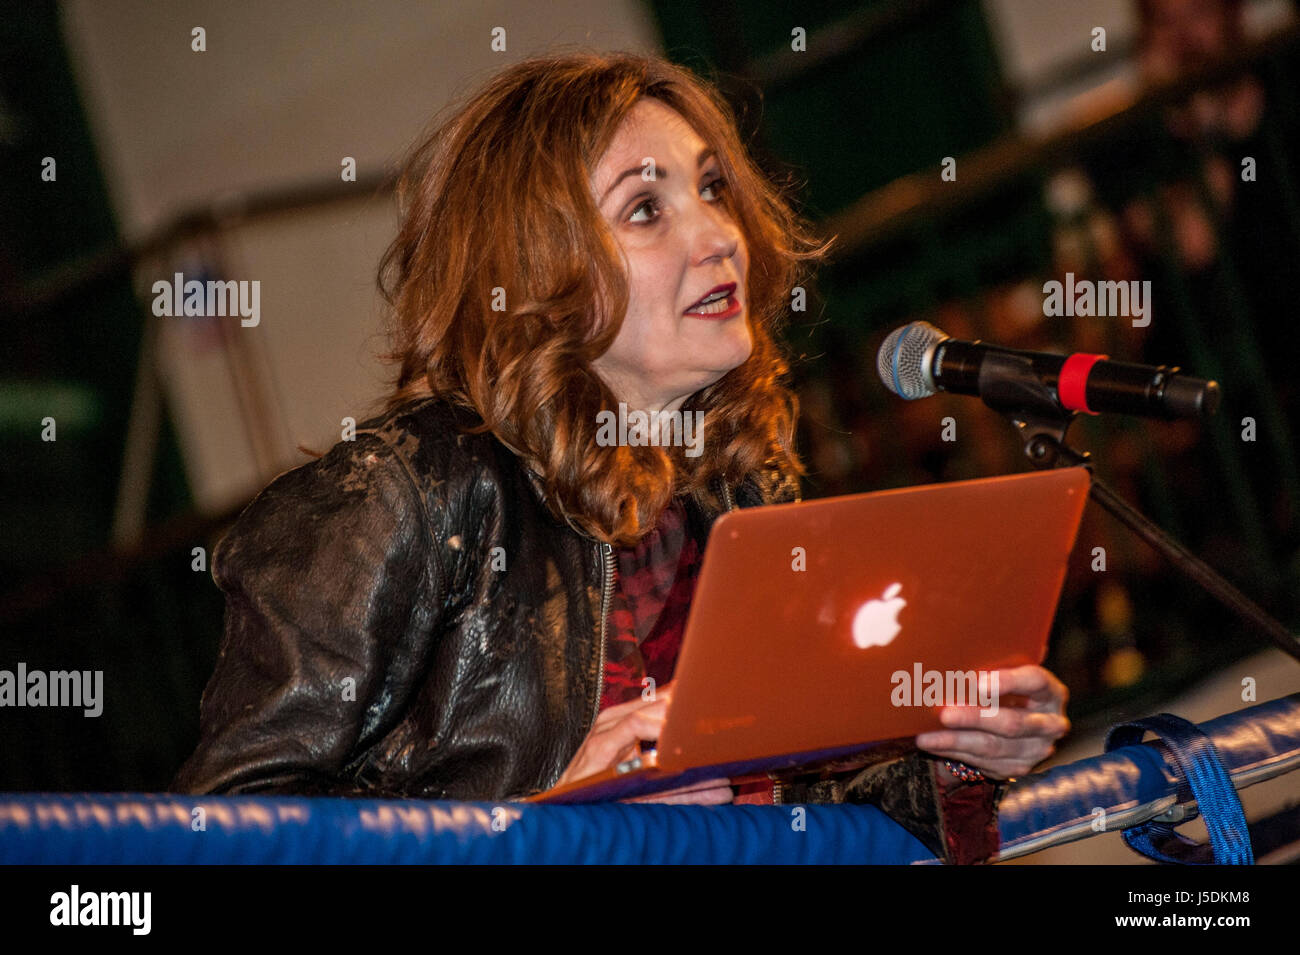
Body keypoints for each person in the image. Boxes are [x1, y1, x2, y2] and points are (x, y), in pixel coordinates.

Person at [171, 50, 1069, 863]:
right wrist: (559, 823)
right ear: (537, 268)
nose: (719, 235)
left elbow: (800, 810)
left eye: (713, 188)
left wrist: (956, 756)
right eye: (646, 208)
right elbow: (221, 841)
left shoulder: (733, 487)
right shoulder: (398, 494)